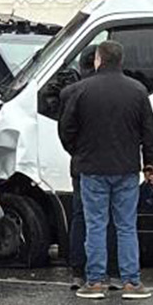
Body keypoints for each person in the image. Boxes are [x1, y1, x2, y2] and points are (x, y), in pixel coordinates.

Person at [57, 40, 153, 300]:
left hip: (91, 168)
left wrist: (77, 152)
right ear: (121, 61)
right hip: (126, 168)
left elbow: (66, 129)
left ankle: (95, 281)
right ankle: (131, 282)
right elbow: (148, 132)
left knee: (95, 225)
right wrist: (150, 164)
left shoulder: (81, 90)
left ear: (98, 60)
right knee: (126, 226)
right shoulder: (137, 91)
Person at [58, 45, 97, 290]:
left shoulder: (71, 92)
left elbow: (65, 132)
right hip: (114, 165)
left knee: (81, 216)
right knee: (111, 220)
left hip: (82, 163)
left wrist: (77, 152)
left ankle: (78, 271)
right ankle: (109, 271)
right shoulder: (129, 88)